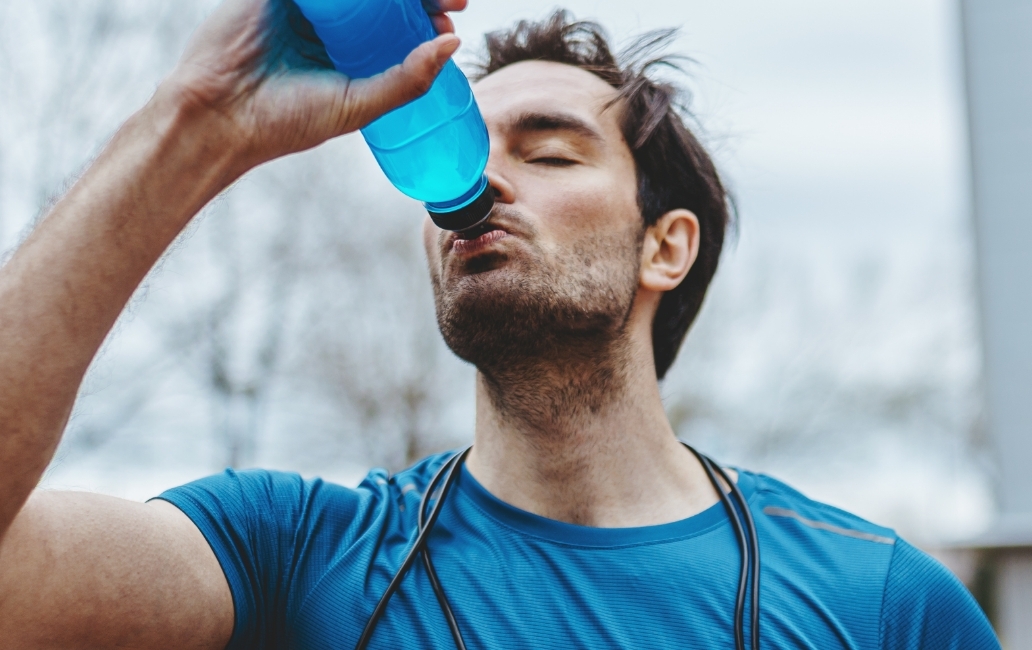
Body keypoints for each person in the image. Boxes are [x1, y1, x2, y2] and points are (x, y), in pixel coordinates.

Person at [0, 0, 1000, 648]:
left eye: (551, 153)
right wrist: (198, 122)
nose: (484, 182)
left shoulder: (879, 601)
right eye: (474, 141)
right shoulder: (295, 554)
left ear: (668, 246)